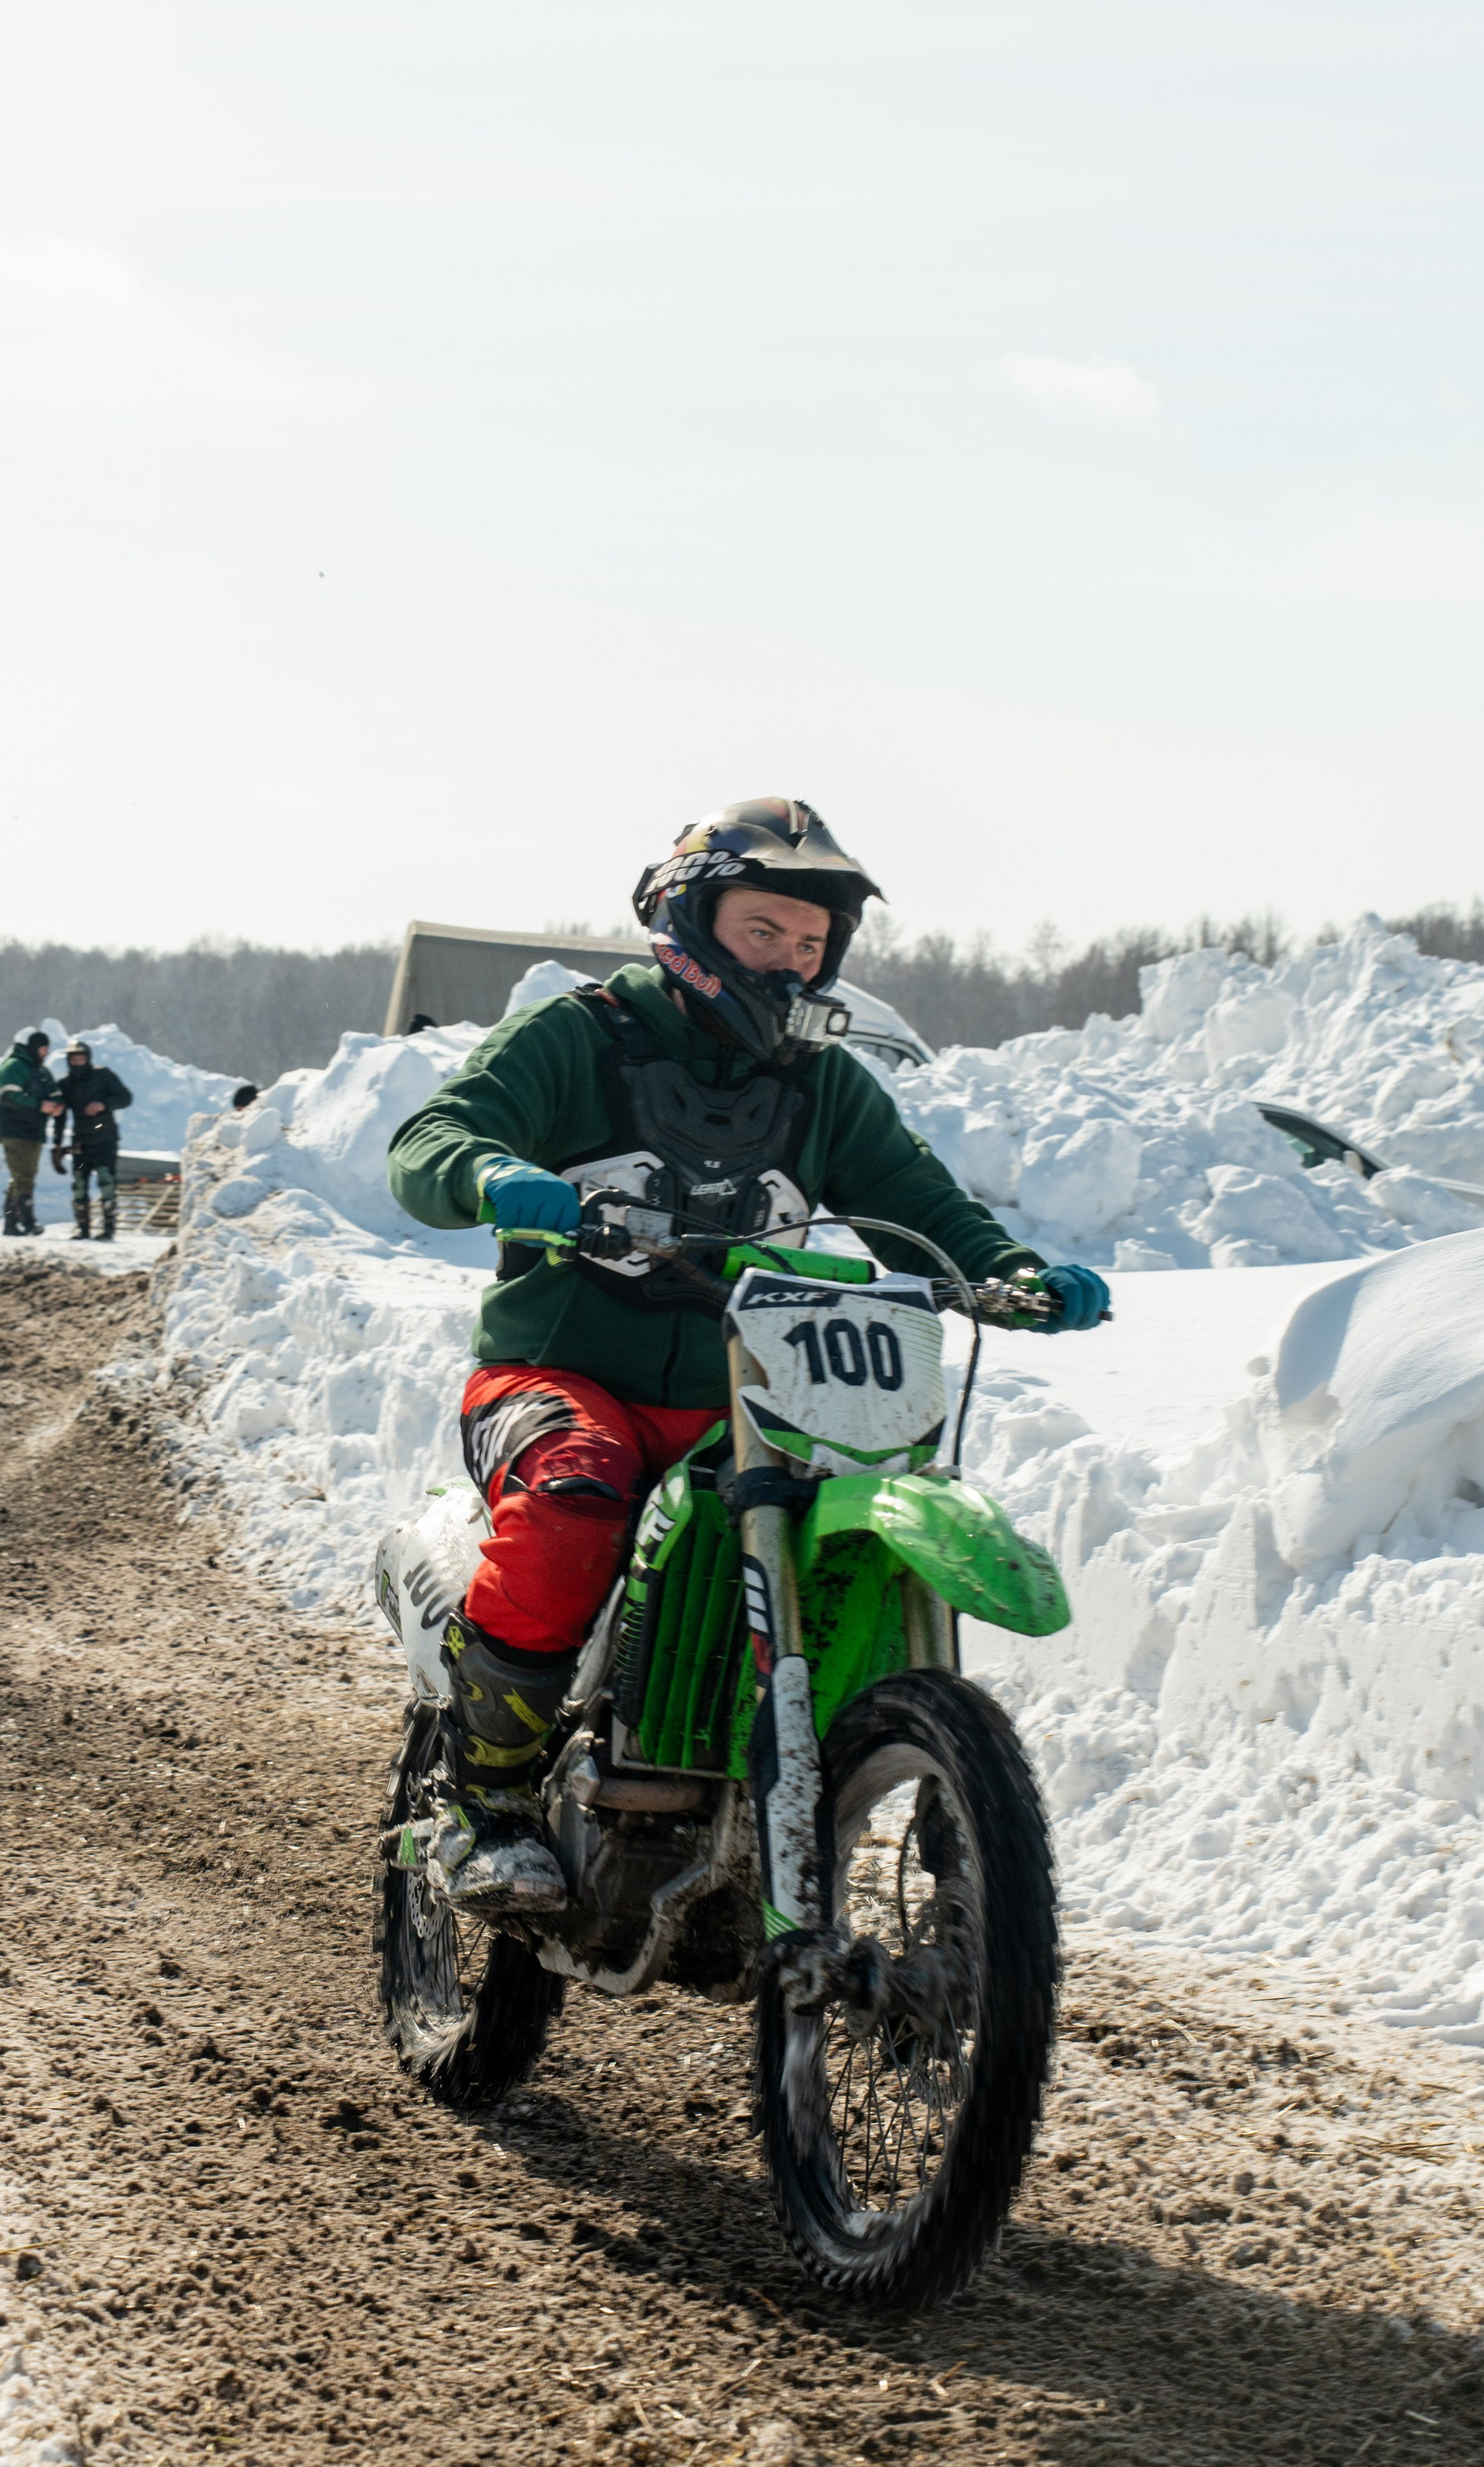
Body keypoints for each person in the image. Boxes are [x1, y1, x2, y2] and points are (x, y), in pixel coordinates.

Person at [386, 797, 1111, 1918]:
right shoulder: (580, 1036)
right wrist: (489, 1175)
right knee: (578, 1492)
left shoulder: (820, 1083)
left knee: (824, 1508)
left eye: (811, 944)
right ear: (691, 918)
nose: (789, 959)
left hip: (745, 1388)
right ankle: (482, 1800)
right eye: (763, 930)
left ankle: (762, 1771)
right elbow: (430, 1139)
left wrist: (1010, 1271)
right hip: (561, 1375)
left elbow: (915, 1202)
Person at [52, 1038, 134, 1242]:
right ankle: (83, 1227)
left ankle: (108, 1229)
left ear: (88, 1059)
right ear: (69, 1061)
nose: (78, 1063)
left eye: (81, 1059)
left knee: (106, 1182)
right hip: (80, 1140)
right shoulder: (65, 1083)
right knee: (79, 1184)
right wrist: (57, 1142)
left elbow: (126, 1097)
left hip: (105, 1138)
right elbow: (60, 1116)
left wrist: (103, 1104)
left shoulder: (103, 1075)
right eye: (74, 1059)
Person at [0, 1029, 61, 1237]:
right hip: (15, 1130)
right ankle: (28, 1220)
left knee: (23, 1177)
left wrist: (57, 1104)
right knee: (23, 1177)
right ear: (33, 1048)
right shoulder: (14, 1067)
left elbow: (54, 1091)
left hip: (34, 1130)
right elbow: (11, 1097)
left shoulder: (41, 1071)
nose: (46, 1053)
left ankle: (11, 1222)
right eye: (43, 1048)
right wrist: (39, 1105)